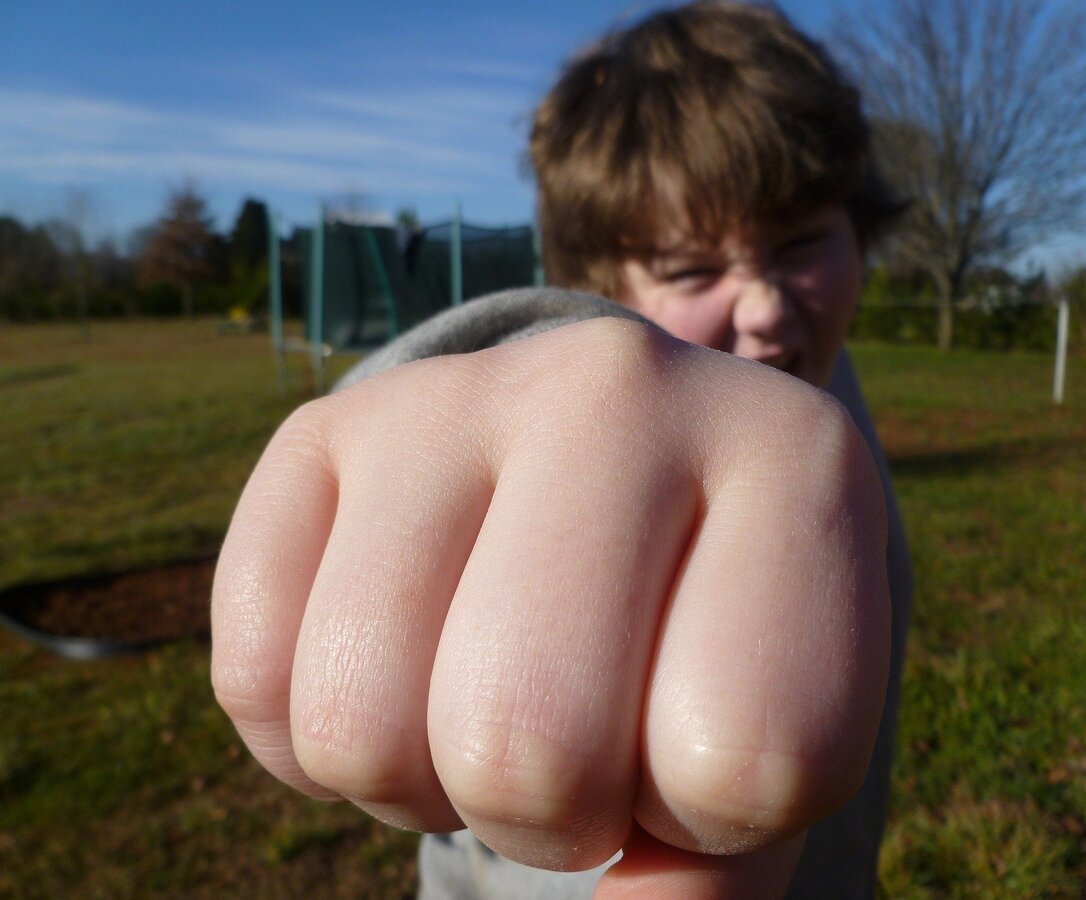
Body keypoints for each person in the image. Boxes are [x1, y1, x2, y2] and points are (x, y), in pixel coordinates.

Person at [211, 2, 912, 898]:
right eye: (693, 269)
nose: (767, 306)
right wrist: (521, 363)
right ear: (605, 283)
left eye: (804, 241)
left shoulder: (819, 378)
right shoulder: (629, 344)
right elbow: (574, 369)